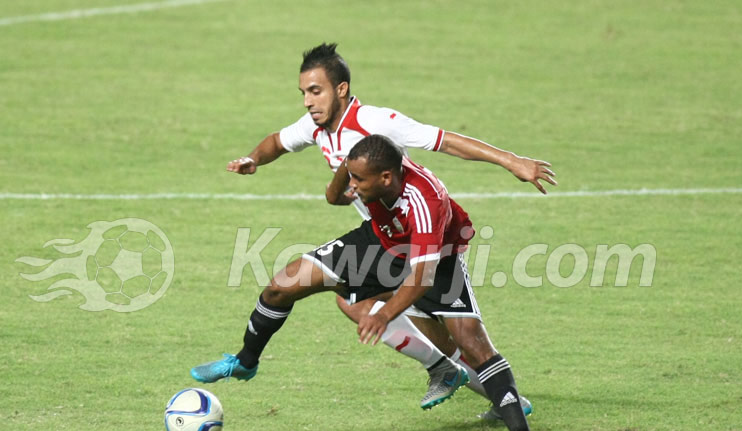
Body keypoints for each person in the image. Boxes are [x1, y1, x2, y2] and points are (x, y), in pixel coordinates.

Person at [220, 43, 556, 412]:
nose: (307, 101)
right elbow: (276, 142)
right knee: (343, 300)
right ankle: (460, 378)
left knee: (457, 337)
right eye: (303, 93)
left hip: (421, 235)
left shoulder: (377, 122)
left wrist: (511, 161)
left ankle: (500, 398)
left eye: (315, 91)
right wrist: (254, 158)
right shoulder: (315, 126)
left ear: (341, 89)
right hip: (381, 235)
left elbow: (445, 141)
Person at [192, 135, 544, 431]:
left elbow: (422, 276)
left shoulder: (424, 201)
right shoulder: (366, 167)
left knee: (472, 343)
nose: (354, 185)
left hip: (439, 259)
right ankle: (245, 362)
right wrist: (343, 176)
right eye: (352, 175)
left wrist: (385, 314)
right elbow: (335, 197)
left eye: (359, 179)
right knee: (280, 288)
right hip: (381, 240)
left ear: (386, 178)